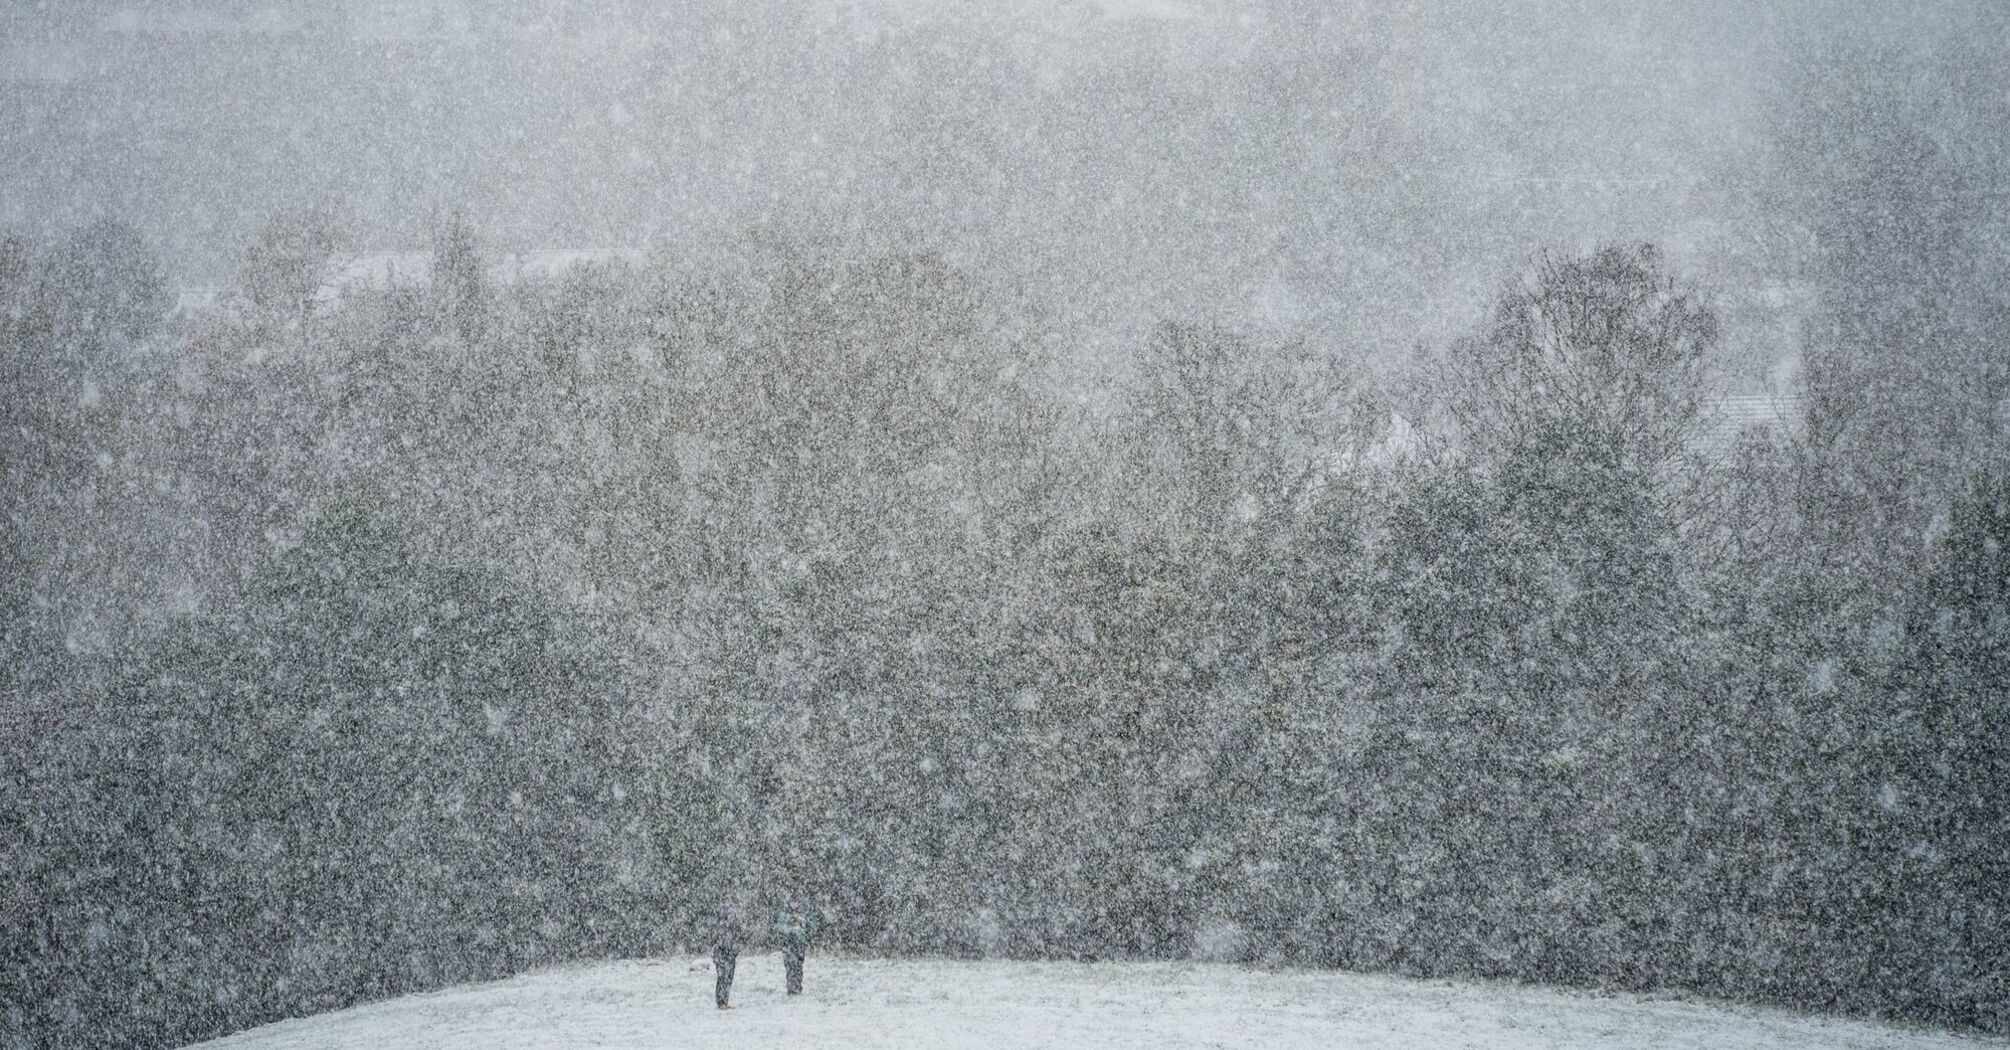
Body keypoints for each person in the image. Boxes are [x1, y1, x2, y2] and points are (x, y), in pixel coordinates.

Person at [773, 894, 821, 996]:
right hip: (788, 944)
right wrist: (789, 929)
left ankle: (798, 987)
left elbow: (813, 925)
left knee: (798, 967)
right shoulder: (784, 914)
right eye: (792, 902)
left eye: (796, 902)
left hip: (800, 944)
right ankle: (791, 989)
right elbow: (778, 927)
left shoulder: (804, 914)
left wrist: (804, 923)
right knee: (790, 967)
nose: (794, 904)